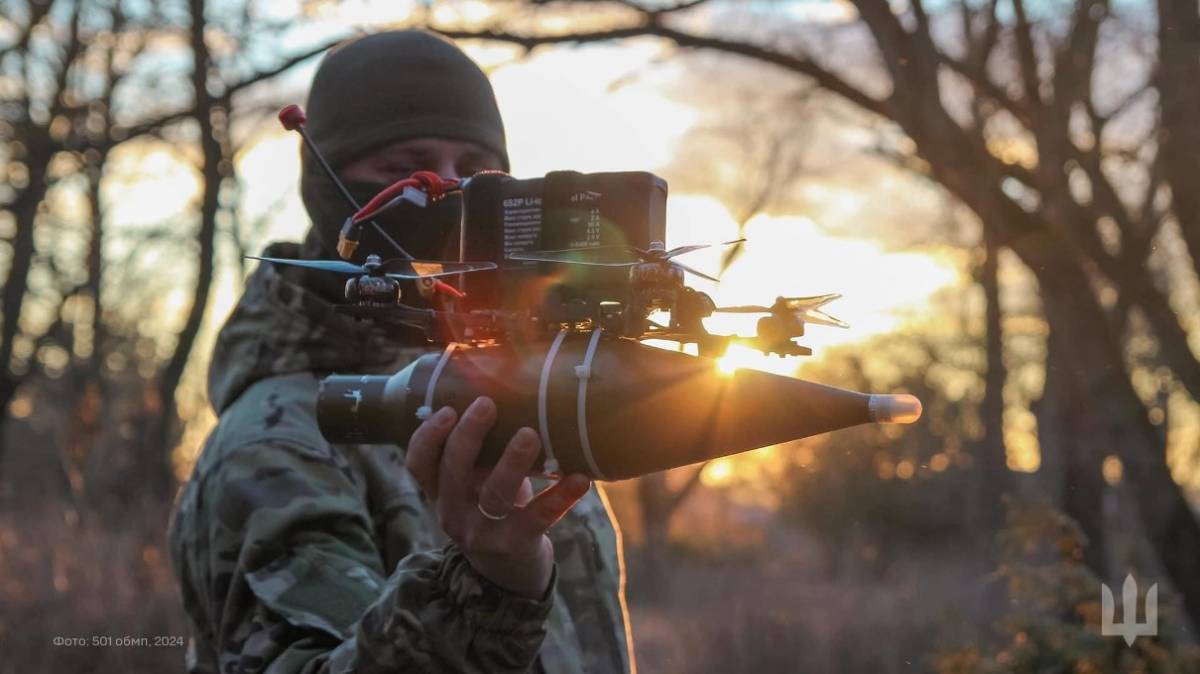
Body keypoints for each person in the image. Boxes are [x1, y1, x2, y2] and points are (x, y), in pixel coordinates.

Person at [168, 30, 635, 674]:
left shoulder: (521, 388)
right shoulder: (278, 443)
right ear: (329, 182)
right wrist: (486, 590)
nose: (444, 189)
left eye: (475, 171)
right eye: (401, 168)